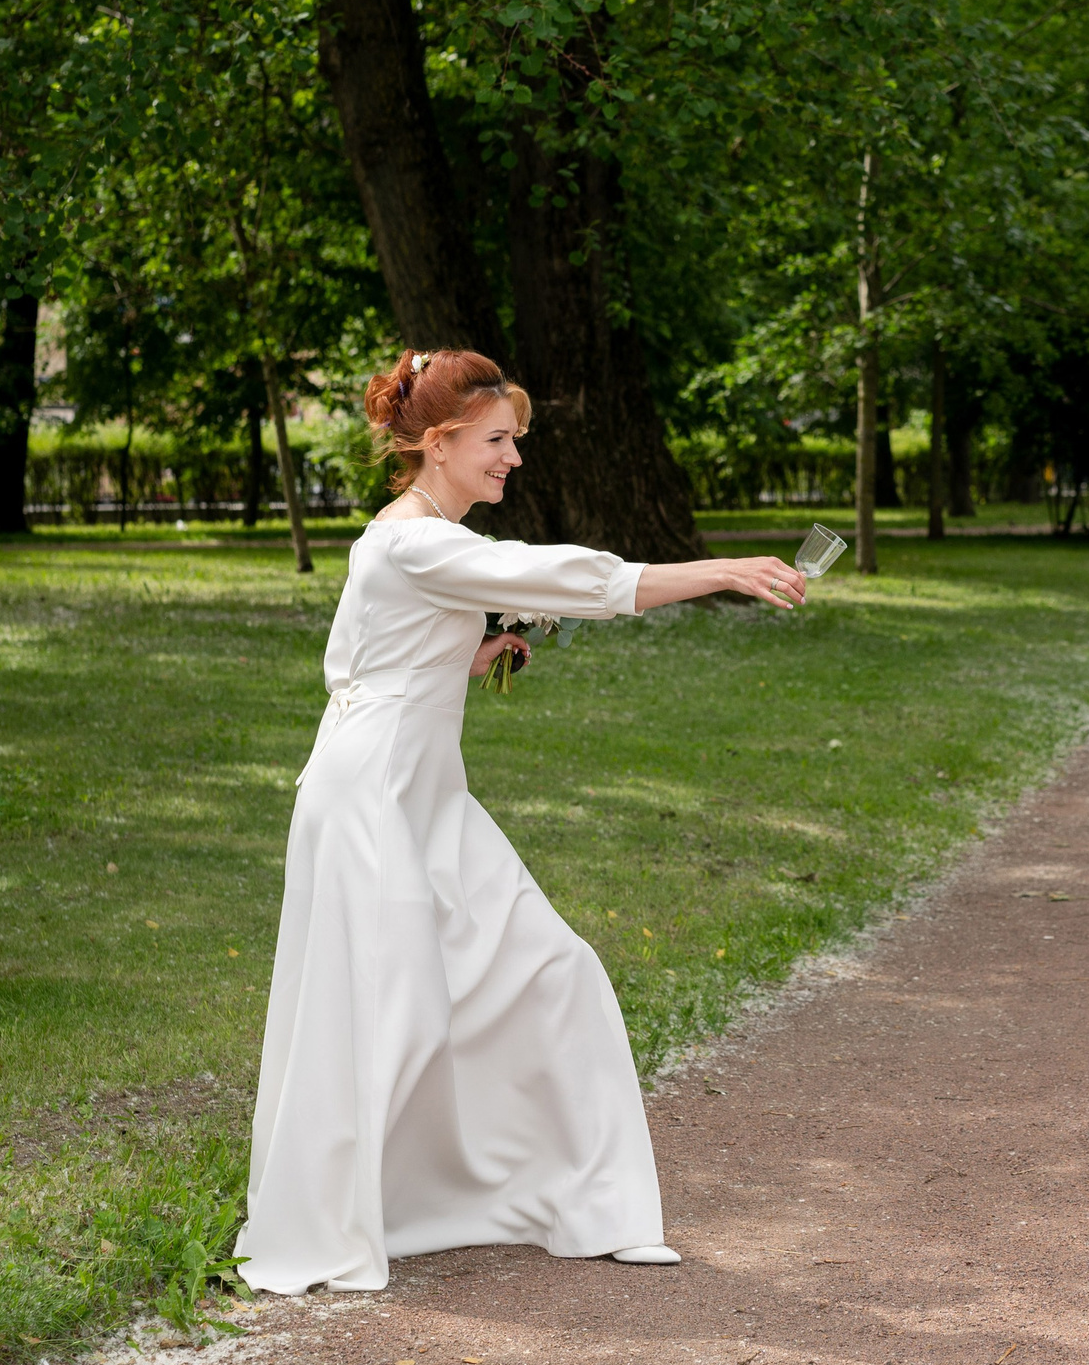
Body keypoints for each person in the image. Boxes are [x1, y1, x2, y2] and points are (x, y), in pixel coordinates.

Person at [235, 348, 807, 1294]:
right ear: (439, 441)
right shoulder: (411, 541)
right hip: (372, 801)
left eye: (515, 440)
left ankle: (591, 1205)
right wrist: (724, 570)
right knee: (391, 1011)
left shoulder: (418, 537)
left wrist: (473, 650)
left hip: (429, 794)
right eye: (499, 441)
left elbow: (367, 663)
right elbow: (573, 578)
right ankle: (339, 1210)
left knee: (551, 967)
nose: (514, 459)